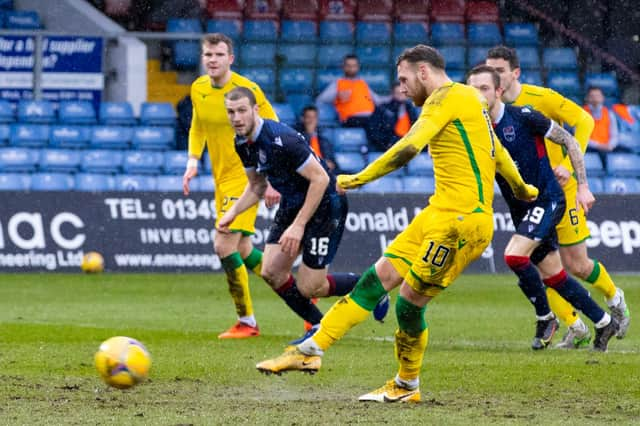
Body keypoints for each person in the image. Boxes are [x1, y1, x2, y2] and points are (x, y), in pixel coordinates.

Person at [256, 45, 539, 402]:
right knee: (376, 279)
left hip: (460, 224)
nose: (401, 89)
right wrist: (522, 188)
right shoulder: (471, 100)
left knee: (408, 304)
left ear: (423, 72)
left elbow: (409, 147)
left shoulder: (444, 99)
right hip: (439, 213)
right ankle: (310, 350)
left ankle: (407, 386)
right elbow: (496, 151)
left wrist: (357, 178)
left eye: (404, 79)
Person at [218, 87, 388, 343]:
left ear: (255, 110)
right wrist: (232, 213)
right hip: (293, 202)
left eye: (242, 110)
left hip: (325, 204)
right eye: (231, 112)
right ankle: (318, 327)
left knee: (310, 287)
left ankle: (370, 286)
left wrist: (298, 226)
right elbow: (257, 186)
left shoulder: (281, 139)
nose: (236, 117)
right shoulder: (241, 142)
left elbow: (320, 179)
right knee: (271, 272)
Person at [467, 65, 620, 351]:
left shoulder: (523, 116)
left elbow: (569, 140)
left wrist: (582, 184)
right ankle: (602, 322)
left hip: (549, 199)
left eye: (484, 88)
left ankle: (545, 317)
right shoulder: (476, 128)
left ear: (499, 91)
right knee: (554, 275)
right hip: (520, 209)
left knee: (514, 256)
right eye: (472, 88)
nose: (478, 94)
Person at [182, 33, 281, 339]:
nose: (212, 60)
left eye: (219, 55)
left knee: (223, 244)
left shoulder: (247, 91)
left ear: (230, 58)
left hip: (247, 177)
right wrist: (193, 160)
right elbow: (198, 124)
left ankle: (247, 322)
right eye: (208, 55)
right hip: (220, 178)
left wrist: (273, 178)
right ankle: (302, 294)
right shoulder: (198, 88)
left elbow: (274, 130)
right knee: (243, 248)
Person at [316, 54, 387, 129]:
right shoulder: (338, 83)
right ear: (343, 67)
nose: (351, 68)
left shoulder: (362, 83)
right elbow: (320, 99)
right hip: (350, 119)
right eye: (348, 65)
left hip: (369, 117)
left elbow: (377, 100)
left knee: (386, 119)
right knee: (375, 123)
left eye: (354, 65)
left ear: (358, 67)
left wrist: (393, 96)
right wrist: (337, 95)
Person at [584, 86, 632, 171]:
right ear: (587, 98)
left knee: (628, 151)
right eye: (592, 96)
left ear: (603, 98)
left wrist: (611, 145)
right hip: (590, 147)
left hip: (607, 146)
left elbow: (614, 134)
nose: (595, 99)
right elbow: (581, 137)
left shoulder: (609, 113)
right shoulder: (582, 113)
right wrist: (598, 145)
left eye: (598, 96)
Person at [367, 82, 419, 151]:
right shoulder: (383, 108)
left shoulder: (410, 108)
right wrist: (386, 144)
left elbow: (416, 128)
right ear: (392, 94)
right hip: (389, 145)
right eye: (398, 93)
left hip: (407, 143)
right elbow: (373, 130)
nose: (401, 96)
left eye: (403, 93)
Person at [295, 105, 336, 171]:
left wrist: (330, 164)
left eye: (314, 117)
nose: (311, 120)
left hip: (326, 172)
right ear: (303, 119)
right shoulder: (298, 139)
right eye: (308, 117)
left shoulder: (324, 140)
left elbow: (333, 162)